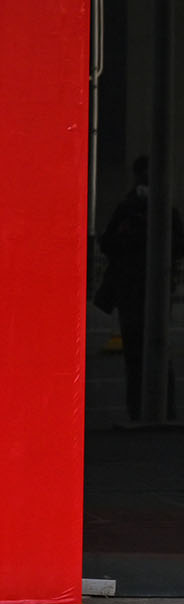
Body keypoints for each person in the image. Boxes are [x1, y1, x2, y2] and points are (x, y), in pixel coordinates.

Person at [97, 156, 182, 419]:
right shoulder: (159, 208)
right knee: (153, 348)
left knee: (138, 351)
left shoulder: (130, 207)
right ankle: (160, 409)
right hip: (146, 287)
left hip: (133, 287)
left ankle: (141, 409)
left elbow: (108, 243)